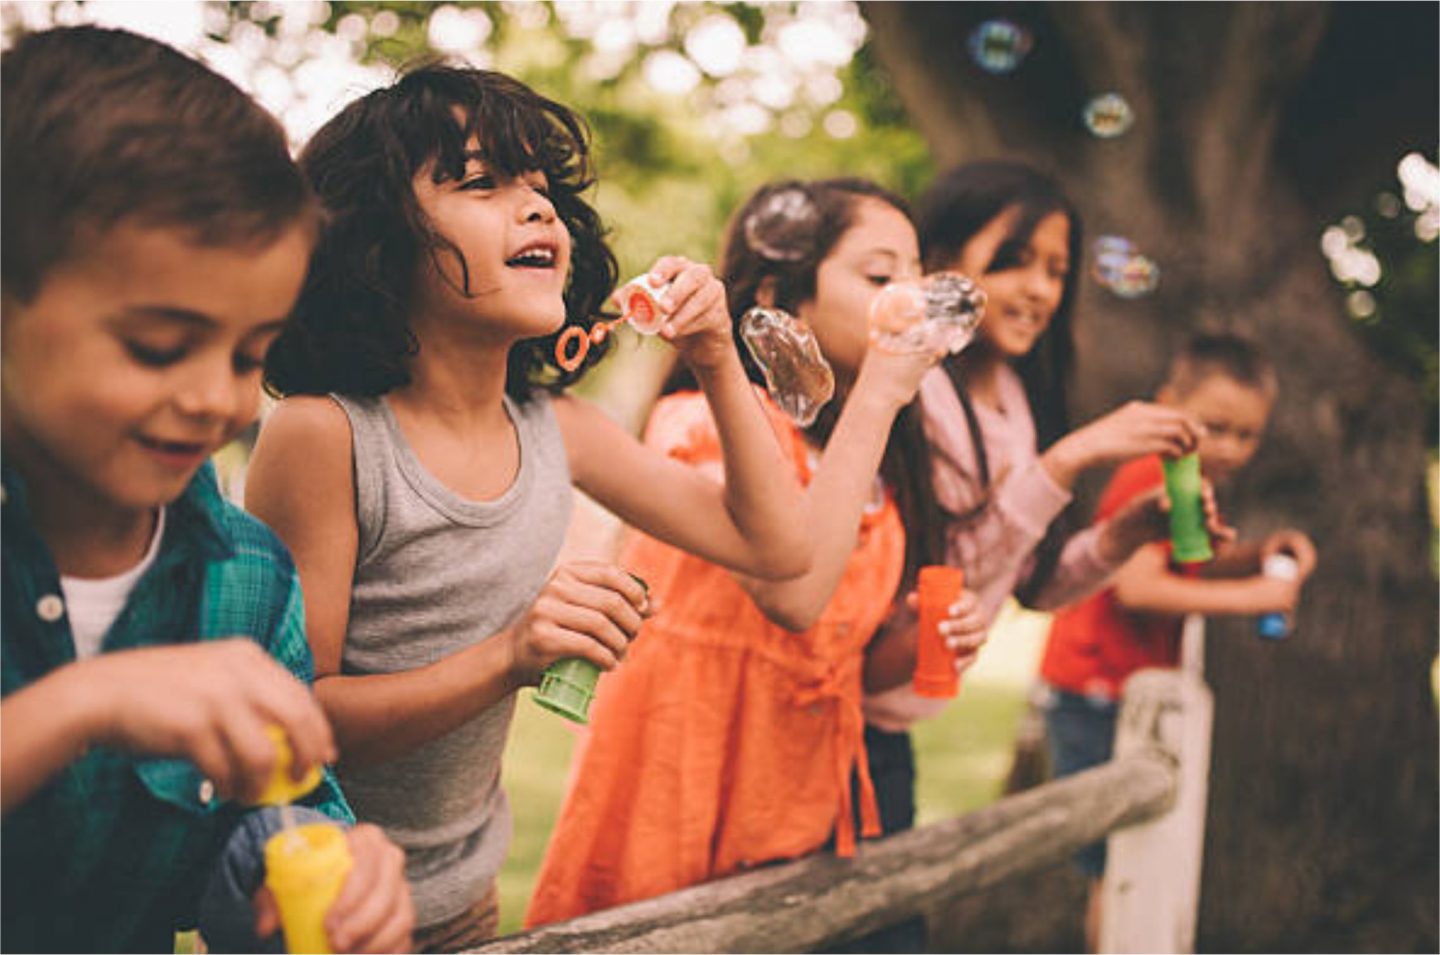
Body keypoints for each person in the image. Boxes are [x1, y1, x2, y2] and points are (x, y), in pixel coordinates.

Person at [244, 65, 811, 950]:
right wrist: (510, 654)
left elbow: (773, 547)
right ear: (375, 239)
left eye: (542, 189)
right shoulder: (327, 436)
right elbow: (293, 722)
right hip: (320, 908)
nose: (538, 209)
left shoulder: (559, 429)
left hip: (467, 903)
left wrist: (713, 356)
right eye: (481, 182)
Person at [0, 25, 412, 954]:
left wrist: (317, 862)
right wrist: (82, 702)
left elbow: (273, 808)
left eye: (248, 354)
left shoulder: (250, 576)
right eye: (156, 347)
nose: (213, 398)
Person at [523, 177, 990, 928]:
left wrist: (920, 643)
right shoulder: (702, 426)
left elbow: (839, 654)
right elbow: (793, 595)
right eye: (879, 275)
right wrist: (878, 394)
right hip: (684, 787)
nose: (910, 297)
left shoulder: (866, 465)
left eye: (915, 275)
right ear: (781, 294)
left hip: (804, 807)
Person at [852, 160, 1211, 951]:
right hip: (842, 723)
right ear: (939, 262)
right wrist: (1064, 464)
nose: (1041, 289)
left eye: (1057, 269)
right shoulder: (916, 393)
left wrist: (1125, 534)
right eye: (1013, 259)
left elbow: (1029, 583)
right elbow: (937, 574)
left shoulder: (1015, 399)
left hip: (890, 730)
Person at [1038, 331, 1316, 951]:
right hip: (1094, 689)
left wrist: (1252, 561)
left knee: (1141, 855)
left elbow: (1183, 566)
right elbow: (1138, 588)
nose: (1232, 448)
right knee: (1116, 866)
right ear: (1168, 404)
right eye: (1216, 426)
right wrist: (1254, 600)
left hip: (1128, 693)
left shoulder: (1189, 475)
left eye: (1248, 436)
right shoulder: (1151, 471)